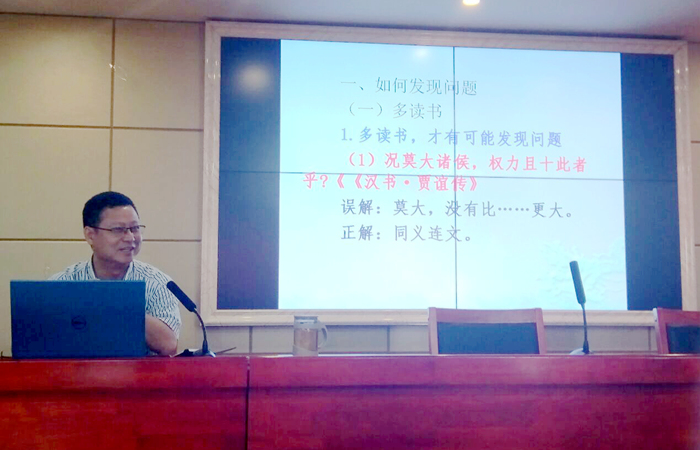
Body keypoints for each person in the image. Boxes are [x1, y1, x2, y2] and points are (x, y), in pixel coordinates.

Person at [50, 191, 181, 356]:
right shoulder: (62, 284)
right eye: (118, 230)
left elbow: (169, 345)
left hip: (140, 373)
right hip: (78, 372)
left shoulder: (159, 284)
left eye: (135, 228)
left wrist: (115, 300)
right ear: (90, 235)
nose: (130, 238)